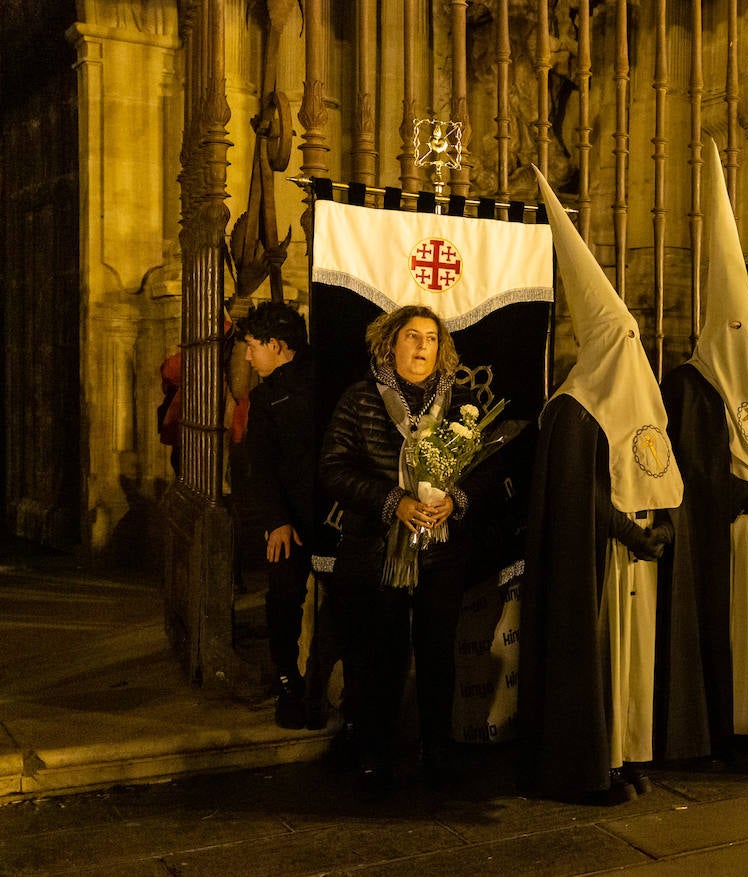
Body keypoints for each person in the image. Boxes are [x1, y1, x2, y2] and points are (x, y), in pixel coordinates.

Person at [519, 168, 709, 805]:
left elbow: (660, 472)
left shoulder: (641, 404)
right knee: (600, 660)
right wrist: (629, 529)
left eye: (636, 337)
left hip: (639, 562)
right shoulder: (574, 409)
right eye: (621, 337)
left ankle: (628, 751)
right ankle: (589, 762)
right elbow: (577, 502)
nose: (632, 347)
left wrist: (662, 529)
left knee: (636, 664)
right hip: (598, 564)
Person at [662, 140, 748, 758]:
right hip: (718, 534)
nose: (746, 339)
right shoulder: (689, 386)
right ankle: (722, 721)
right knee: (726, 624)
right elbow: (686, 466)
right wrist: (735, 492)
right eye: (735, 329)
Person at [318, 304, 489, 797]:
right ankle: (373, 754)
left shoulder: (461, 407)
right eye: (411, 337)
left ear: (443, 350)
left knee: (438, 654)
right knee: (378, 657)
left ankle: (437, 752)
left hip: (439, 558)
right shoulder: (360, 400)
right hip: (374, 555)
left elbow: (487, 470)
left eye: (431, 339)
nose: (421, 347)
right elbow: (332, 468)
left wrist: (455, 500)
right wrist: (394, 502)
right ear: (390, 345)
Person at [238, 302, 318, 729]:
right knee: (284, 597)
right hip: (289, 520)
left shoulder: (322, 381)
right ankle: (288, 681)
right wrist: (277, 521)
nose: (249, 357)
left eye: (253, 347)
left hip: (334, 513)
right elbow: (261, 466)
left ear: (276, 345)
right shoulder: (265, 397)